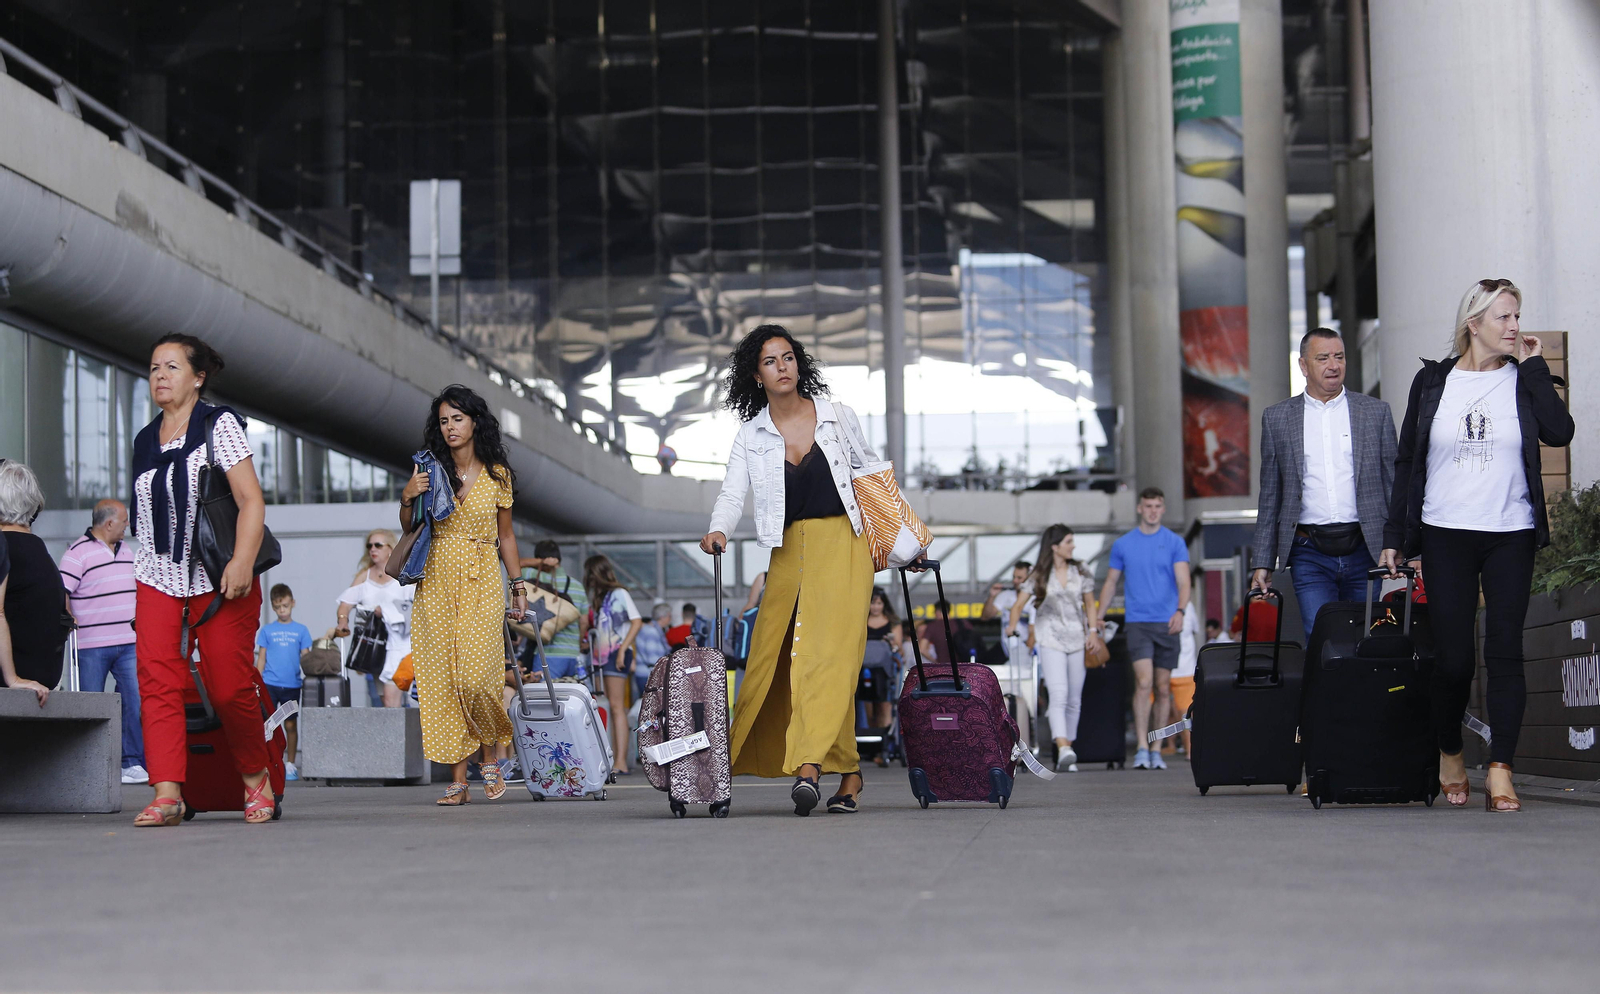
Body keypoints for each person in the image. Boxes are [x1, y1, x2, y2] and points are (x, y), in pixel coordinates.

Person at [1381, 279, 1573, 813]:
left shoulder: (1524, 379)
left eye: (1518, 317)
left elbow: (1560, 432)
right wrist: (1395, 538)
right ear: (1475, 323)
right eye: (1505, 318)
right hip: (1445, 533)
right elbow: (1406, 463)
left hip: (1510, 532)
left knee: (1505, 651)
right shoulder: (1433, 382)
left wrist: (1535, 369)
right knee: (1453, 661)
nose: (1516, 327)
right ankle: (1449, 749)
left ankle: (1500, 768)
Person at [701, 323, 878, 816]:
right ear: (756, 376)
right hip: (787, 551)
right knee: (771, 660)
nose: (782, 368)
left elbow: (871, 474)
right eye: (770, 362)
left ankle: (808, 767)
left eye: (788, 358)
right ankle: (850, 775)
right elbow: (733, 492)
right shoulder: (752, 433)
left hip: (845, 543)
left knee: (826, 658)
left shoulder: (838, 417)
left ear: (799, 364)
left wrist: (907, 542)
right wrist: (718, 529)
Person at [128, 334, 273, 827]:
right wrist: (142, 585)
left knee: (229, 684)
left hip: (219, 575)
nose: (160, 376)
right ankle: (168, 793)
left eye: (171, 367)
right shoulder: (144, 440)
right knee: (156, 681)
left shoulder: (219, 424)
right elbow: (146, 520)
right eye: (153, 369)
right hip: (157, 575)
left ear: (198, 376)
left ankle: (255, 778)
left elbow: (251, 500)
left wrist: (242, 560)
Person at [402, 384, 527, 806]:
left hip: (482, 579)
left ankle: (490, 754)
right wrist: (408, 496)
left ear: (475, 422)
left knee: (478, 677)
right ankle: (458, 778)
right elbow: (409, 526)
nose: (451, 427)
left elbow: (506, 536)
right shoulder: (429, 467)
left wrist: (518, 585)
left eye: (458, 418)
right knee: (443, 680)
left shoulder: (498, 474)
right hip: (435, 580)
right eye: (444, 421)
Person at [1250, 327, 1398, 640]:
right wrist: (1262, 562)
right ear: (1303, 365)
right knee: (1322, 639)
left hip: (1365, 548)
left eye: (1339, 356)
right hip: (1309, 551)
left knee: (1367, 640)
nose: (1333, 365)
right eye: (1323, 358)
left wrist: (1402, 544)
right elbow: (1270, 495)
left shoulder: (1375, 413)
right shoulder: (1277, 418)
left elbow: (1393, 484)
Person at [1094, 487, 1190, 771]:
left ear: (1163, 509)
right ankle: (1141, 748)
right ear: (1139, 508)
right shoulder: (1124, 544)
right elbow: (1111, 582)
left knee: (1162, 688)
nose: (1152, 511)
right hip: (1138, 622)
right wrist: (1098, 616)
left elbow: (1184, 582)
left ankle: (1157, 749)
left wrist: (1181, 611)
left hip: (1168, 622)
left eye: (1158, 506)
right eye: (1148, 506)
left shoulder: (1174, 542)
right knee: (1144, 683)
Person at [57, 499, 147, 784]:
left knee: (134, 700)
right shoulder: (76, 553)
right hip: (91, 645)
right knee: (92, 705)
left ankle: (130, 763)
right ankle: (90, 765)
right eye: (124, 521)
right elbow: (62, 592)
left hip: (128, 642)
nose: (127, 526)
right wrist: (67, 614)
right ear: (108, 523)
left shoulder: (127, 550)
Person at [1008, 525, 1100, 773]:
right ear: (1055, 546)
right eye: (1069, 541)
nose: (1073, 545)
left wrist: (1092, 631)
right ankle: (1064, 747)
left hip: (1077, 638)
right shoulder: (1039, 574)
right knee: (1058, 694)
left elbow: (1090, 604)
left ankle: (1065, 749)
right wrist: (1012, 626)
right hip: (1049, 639)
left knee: (1074, 699)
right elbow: (1018, 605)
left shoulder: (1080, 570)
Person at [0, 462, 61, 705]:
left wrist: (13, 678)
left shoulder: (5, 547)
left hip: (15, 673)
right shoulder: (40, 551)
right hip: (46, 672)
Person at [334, 528, 415, 708]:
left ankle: (411, 734)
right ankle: (392, 734)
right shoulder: (365, 576)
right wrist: (342, 620)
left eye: (378, 545)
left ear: (390, 549)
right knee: (382, 699)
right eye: (369, 545)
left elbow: (419, 603)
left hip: (403, 644)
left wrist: (388, 610)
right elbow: (346, 602)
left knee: (408, 696)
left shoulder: (404, 573)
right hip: (374, 646)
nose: (373, 549)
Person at [584, 554, 641, 776]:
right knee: (614, 706)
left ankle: (620, 760)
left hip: (616, 653)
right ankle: (617, 758)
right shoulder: (605, 597)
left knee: (617, 707)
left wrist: (624, 649)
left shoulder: (619, 593)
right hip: (605, 655)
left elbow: (636, 622)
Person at [255, 584, 311, 780]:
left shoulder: (301, 630)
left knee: (290, 725)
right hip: (269, 684)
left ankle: (290, 764)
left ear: (292, 603)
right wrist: (257, 681)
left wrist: (311, 674)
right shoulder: (267, 631)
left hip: (292, 685)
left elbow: (306, 658)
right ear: (273, 607)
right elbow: (261, 657)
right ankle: (270, 762)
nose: (282, 611)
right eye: (278, 607)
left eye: (285, 606)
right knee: (268, 725)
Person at [517, 540, 588, 680]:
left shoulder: (532, 576)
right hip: (573, 655)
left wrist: (538, 562)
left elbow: (513, 564)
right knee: (572, 697)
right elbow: (584, 621)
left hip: (547, 655)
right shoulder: (577, 586)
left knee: (546, 698)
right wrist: (578, 644)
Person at [860, 587, 899, 762]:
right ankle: (873, 744)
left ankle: (886, 746)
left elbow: (898, 649)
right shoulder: (860, 620)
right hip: (865, 670)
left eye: (878, 603)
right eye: (872, 603)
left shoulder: (892, 622)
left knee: (885, 706)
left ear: (884, 604)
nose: (875, 607)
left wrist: (891, 643)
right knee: (868, 708)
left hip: (885, 671)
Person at [1166, 600, 1201, 758]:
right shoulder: (1187, 604)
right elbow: (1195, 629)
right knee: (1186, 711)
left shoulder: (1157, 601)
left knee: (1163, 708)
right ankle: (1190, 750)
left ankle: (1160, 748)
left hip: (1164, 666)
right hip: (1185, 668)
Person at [982, 560, 1034, 659]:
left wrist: (1028, 652)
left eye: (1019, 578)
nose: (1015, 581)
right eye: (1013, 577)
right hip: (1006, 647)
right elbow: (985, 617)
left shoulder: (1035, 600)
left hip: (1028, 649)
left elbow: (1034, 631)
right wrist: (992, 596)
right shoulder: (1005, 596)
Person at [633, 602, 673, 699]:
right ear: (663, 617)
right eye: (669, 616)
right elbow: (653, 659)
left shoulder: (652, 629)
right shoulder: (652, 632)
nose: (670, 619)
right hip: (648, 675)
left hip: (644, 674)